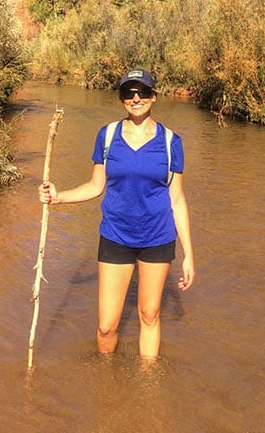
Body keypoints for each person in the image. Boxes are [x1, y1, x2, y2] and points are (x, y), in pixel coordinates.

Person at [38, 68, 195, 360]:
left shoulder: (172, 143)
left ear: (154, 97)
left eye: (143, 92)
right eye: (128, 93)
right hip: (115, 236)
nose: (136, 99)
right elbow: (96, 186)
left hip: (157, 238)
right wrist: (58, 198)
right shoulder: (107, 136)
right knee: (107, 325)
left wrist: (188, 254)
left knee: (150, 314)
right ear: (121, 98)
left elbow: (177, 200)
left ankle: (147, 388)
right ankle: (106, 384)